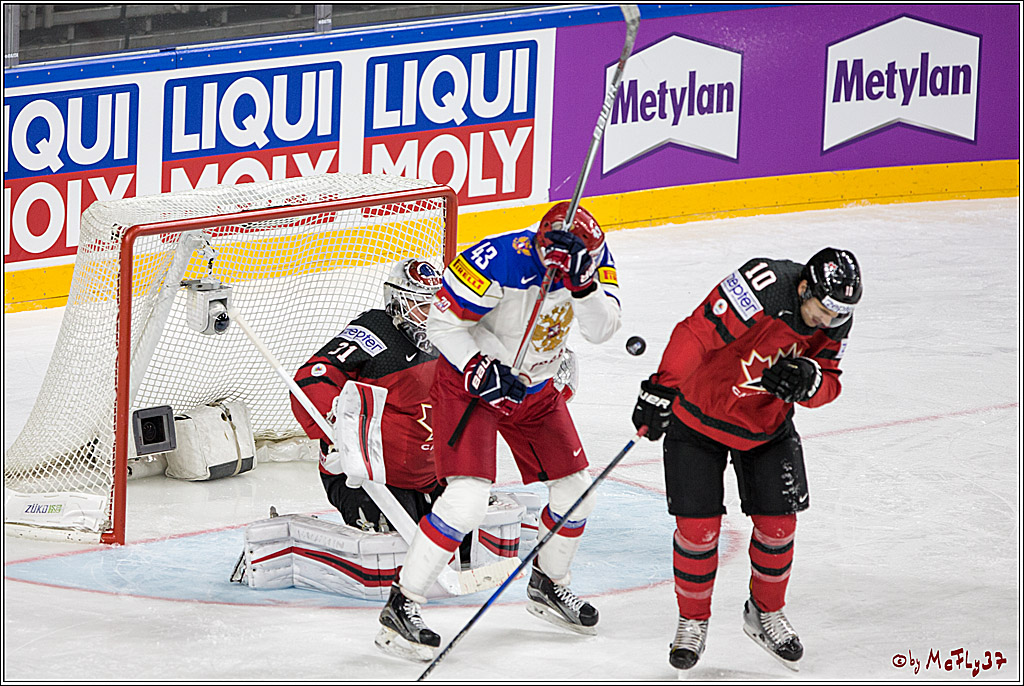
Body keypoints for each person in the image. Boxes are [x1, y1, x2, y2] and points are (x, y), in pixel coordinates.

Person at [373, 201, 622, 662]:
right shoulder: (495, 258)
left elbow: (603, 330)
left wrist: (584, 285)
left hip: (537, 389)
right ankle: (402, 605)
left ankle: (549, 583)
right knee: (466, 501)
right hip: (472, 388)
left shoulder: (593, 256)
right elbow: (442, 323)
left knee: (577, 493)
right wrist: (478, 365)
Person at [631, 247, 863, 672]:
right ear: (804, 287)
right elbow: (696, 332)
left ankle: (765, 612)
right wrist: (663, 387)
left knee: (779, 526)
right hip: (696, 419)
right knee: (698, 531)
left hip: (766, 430)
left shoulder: (835, 318)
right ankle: (692, 621)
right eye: (824, 308)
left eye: (838, 314)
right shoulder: (763, 285)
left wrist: (809, 381)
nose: (828, 320)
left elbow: (830, 380)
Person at [290, 257, 445, 531]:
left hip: (429, 474)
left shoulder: (450, 338)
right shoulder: (376, 332)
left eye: (436, 305)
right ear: (398, 303)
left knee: (467, 540)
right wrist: (337, 426)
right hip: (372, 479)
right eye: (423, 306)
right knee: (395, 549)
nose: (432, 315)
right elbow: (314, 376)